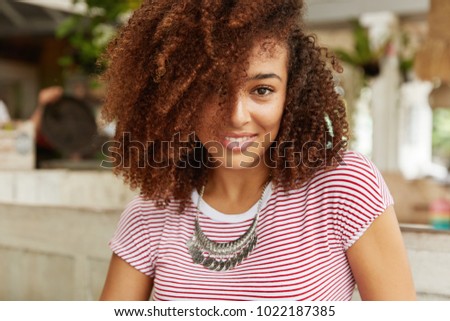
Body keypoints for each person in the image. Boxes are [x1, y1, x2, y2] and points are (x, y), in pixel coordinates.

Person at [100, 0, 416, 301]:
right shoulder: (151, 214)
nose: (236, 115)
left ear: (290, 95)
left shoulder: (343, 186)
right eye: (213, 89)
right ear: (180, 95)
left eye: (262, 90)